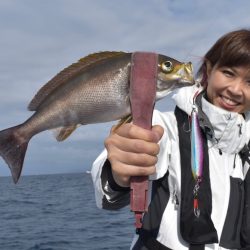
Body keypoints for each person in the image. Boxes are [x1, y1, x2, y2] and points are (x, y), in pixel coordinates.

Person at [91, 29, 250, 250]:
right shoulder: (165, 126)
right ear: (209, 69)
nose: (235, 90)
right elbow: (108, 194)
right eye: (229, 73)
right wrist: (118, 170)